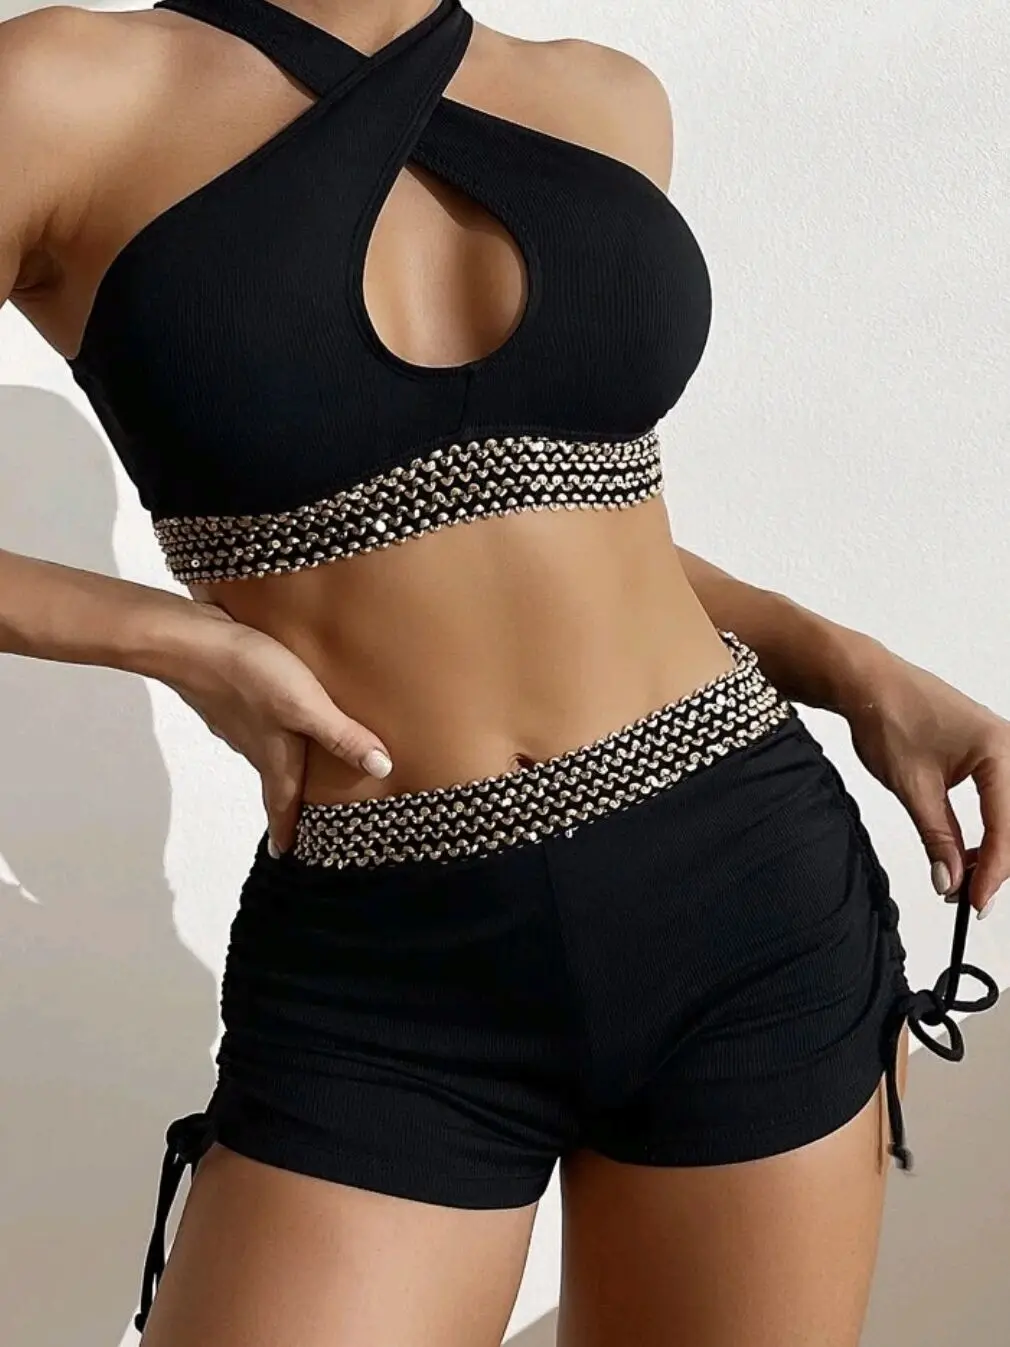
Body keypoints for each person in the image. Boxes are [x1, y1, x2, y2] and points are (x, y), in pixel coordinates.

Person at [0, 1, 1006, 1343]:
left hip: (748, 896)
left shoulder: (605, 99)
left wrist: (850, 662)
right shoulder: (62, 92)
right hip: (386, 960)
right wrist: (178, 639)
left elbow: (559, 517)